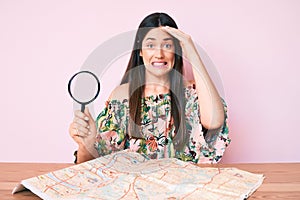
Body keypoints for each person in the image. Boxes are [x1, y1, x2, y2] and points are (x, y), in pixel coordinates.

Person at [69, 12, 230, 164]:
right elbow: (93, 163)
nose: (159, 54)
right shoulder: (122, 96)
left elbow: (214, 121)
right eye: (151, 45)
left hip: (182, 190)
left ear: (177, 51)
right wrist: (85, 143)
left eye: (167, 45)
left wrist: (193, 53)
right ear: (140, 51)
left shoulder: (193, 94)